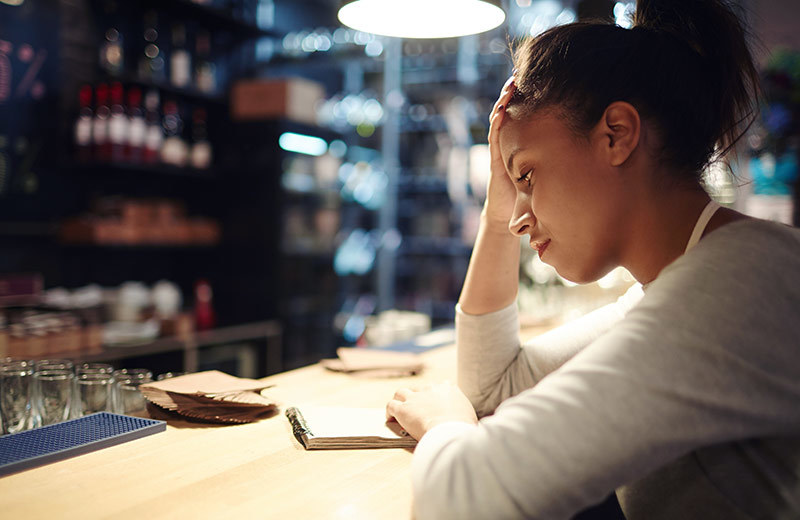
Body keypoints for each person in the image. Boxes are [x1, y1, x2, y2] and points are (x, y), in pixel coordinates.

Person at [385, 1, 800, 519]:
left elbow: (463, 500)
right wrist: (498, 205)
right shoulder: (679, 284)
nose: (518, 218)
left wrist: (445, 423)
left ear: (617, 135)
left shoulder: (738, 288)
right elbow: (494, 387)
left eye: (529, 178)